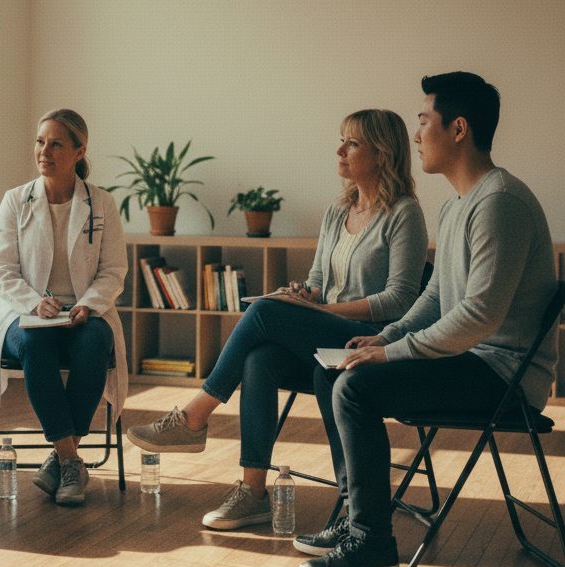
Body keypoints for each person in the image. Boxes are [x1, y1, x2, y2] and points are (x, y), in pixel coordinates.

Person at [298, 73, 558, 567]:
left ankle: (372, 543)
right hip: (472, 360)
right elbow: (436, 297)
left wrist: (393, 353)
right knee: (332, 373)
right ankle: (355, 515)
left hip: (502, 375)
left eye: (423, 122)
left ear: (458, 129)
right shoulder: (457, 204)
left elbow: (479, 315)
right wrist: (385, 337)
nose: (415, 136)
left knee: (355, 388)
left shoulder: (499, 202)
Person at [128, 109, 428, 531]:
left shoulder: (404, 213)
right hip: (327, 333)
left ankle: (195, 416)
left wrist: (321, 312)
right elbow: (320, 280)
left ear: (382, 154)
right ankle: (253, 494)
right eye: (341, 140)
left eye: (352, 143)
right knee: (260, 359)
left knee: (265, 312)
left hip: (369, 340)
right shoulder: (338, 210)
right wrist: (306, 295)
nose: (339, 150)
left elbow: (401, 298)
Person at [0, 109, 128, 506]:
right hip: (22, 313)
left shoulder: (103, 204)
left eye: (56, 144)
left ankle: (60, 460)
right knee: (36, 344)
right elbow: (1, 270)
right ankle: (71, 460)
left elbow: (114, 271)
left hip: (84, 313)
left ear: (80, 151)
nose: (44, 151)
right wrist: (33, 302)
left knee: (94, 343)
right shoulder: (16, 201)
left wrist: (89, 305)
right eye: (40, 142)